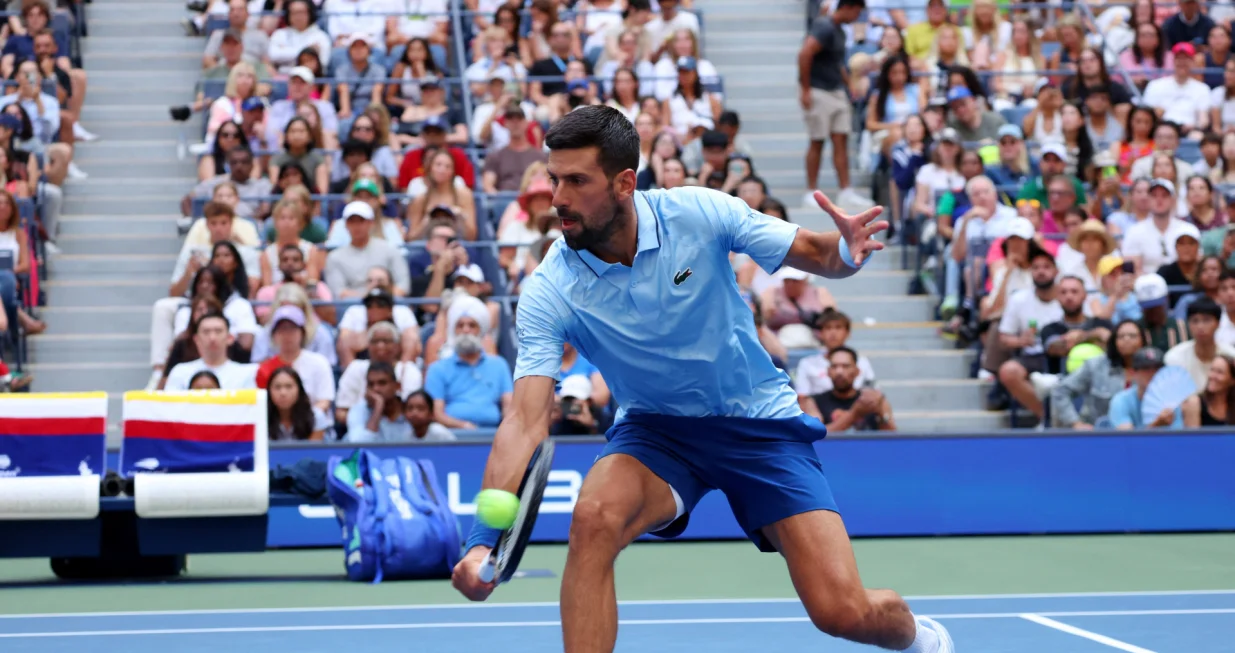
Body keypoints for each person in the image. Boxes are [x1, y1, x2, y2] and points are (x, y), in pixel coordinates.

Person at [450, 106, 952, 653]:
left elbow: (814, 249)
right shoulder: (551, 287)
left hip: (757, 423)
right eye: (554, 178)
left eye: (576, 181)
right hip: (656, 434)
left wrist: (845, 252)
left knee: (842, 612)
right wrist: (482, 541)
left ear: (623, 183)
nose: (558, 198)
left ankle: (917, 638)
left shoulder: (698, 212)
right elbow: (524, 421)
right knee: (592, 519)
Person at [797, 0, 874, 210]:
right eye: (857, 11)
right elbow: (805, 54)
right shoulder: (824, 26)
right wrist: (805, 89)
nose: (858, 16)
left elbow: (836, 63)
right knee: (817, 141)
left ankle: (846, 191)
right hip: (818, 90)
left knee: (841, 139)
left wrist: (849, 85)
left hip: (836, 91)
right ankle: (810, 191)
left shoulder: (838, 30)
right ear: (848, 7)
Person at [804, 346, 895, 431]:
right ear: (828, 371)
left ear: (857, 371)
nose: (839, 372)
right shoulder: (814, 402)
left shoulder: (875, 399)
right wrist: (854, 414)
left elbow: (893, 438)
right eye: (834, 366)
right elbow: (816, 435)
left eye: (845, 366)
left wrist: (882, 415)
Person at [164, 313, 259, 391]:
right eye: (206, 332)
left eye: (218, 331)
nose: (212, 338)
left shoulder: (248, 373)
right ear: (196, 339)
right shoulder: (180, 371)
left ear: (230, 338)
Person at [1107, 347, 1185, 429]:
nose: (1152, 374)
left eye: (1157, 368)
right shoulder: (1121, 400)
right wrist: (1156, 425)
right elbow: (1126, 439)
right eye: (1146, 368)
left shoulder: (1172, 401)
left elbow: (1177, 439)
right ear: (1133, 373)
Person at [1164, 298, 1235, 389]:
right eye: (1195, 321)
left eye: (1206, 320)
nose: (1200, 327)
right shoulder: (1174, 358)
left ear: (1218, 324)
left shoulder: (1232, 356)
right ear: (1188, 324)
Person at [345, 362, 413, 442]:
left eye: (382, 383)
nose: (376, 389)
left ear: (397, 386)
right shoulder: (359, 409)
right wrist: (378, 409)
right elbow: (359, 445)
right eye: (371, 384)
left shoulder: (410, 409)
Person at [266, 366, 328, 441]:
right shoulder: (260, 419)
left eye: (289, 386)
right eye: (277, 387)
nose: (283, 393)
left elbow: (313, 451)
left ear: (299, 390)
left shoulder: (316, 417)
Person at [1181, 353, 1235, 426]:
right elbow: (1192, 437)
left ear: (1232, 380)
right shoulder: (1194, 403)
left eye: (1220, 372)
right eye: (1212, 370)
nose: (1212, 376)